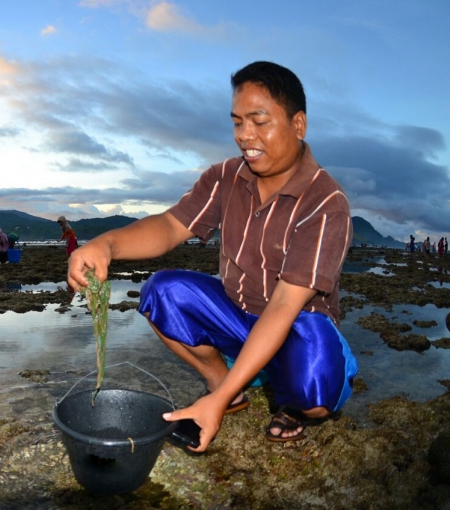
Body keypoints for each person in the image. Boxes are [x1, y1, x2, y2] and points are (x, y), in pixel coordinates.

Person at [67, 61, 357, 452]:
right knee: (162, 292)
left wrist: (213, 409)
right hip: (236, 314)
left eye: (259, 121)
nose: (245, 136)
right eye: (237, 122)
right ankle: (226, 384)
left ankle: (286, 402)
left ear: (298, 125)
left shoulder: (326, 202)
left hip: (295, 325)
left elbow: (286, 304)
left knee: (316, 393)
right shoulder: (226, 177)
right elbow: (170, 226)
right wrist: (106, 245)